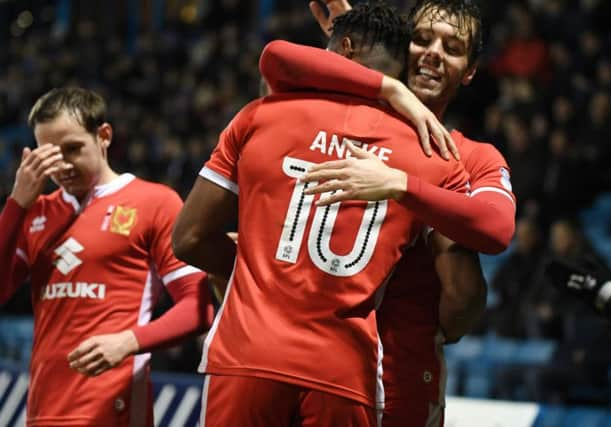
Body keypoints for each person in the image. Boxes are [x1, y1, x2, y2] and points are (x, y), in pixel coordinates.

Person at [171, 3, 489, 426]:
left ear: (344, 49)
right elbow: (464, 294)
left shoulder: (262, 115)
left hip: (247, 353)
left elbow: (189, 238)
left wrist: (256, 270)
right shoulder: (435, 157)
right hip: (345, 372)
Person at [258, 0, 516, 425]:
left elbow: (497, 229)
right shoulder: (332, 119)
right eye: (421, 39)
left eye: (452, 47)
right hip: (298, 365)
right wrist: (353, 49)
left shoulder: (471, 157)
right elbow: (275, 59)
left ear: (470, 71)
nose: (433, 52)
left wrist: (402, 185)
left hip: (397, 378)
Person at [0, 87, 213, 427]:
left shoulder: (155, 203)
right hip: (43, 409)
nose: (64, 165)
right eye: (51, 155)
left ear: (104, 135)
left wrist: (130, 341)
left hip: (115, 408)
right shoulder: (36, 213)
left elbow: (198, 307)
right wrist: (16, 205)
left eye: (73, 149)